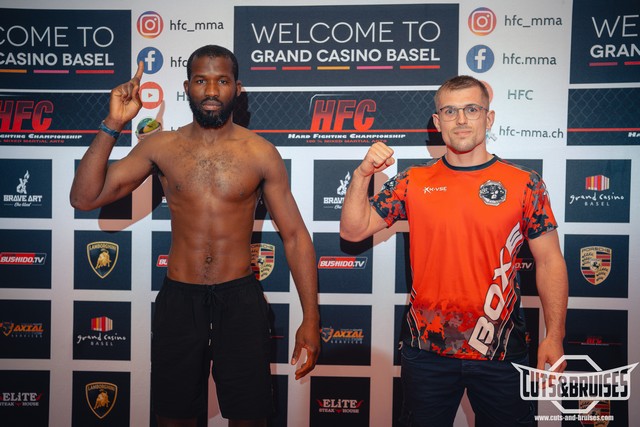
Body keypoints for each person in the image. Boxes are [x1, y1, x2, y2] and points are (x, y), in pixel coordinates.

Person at [70, 45, 320, 427]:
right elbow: (84, 197)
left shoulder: (261, 153)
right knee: (174, 417)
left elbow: (295, 236)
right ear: (187, 87)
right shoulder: (160, 146)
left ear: (238, 89)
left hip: (240, 300)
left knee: (250, 418)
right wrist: (113, 123)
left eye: (222, 81)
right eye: (201, 80)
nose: (212, 91)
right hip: (179, 300)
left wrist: (311, 317)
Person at [340, 75, 568, 427]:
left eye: (471, 109)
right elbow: (353, 230)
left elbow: (550, 261)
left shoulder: (525, 183)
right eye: (450, 111)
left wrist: (554, 335)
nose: (461, 119)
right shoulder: (413, 180)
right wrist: (362, 174)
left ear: (489, 118)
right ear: (437, 122)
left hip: (500, 348)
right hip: (426, 350)